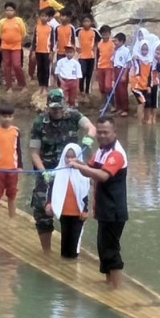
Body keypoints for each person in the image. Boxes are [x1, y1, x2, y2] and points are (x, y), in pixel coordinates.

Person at [29, 89, 96, 254]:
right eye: (53, 108)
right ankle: (46, 250)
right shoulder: (39, 123)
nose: (57, 111)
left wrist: (89, 137)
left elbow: (90, 127)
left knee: (74, 207)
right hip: (48, 170)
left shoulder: (73, 116)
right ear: (47, 107)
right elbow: (34, 152)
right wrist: (43, 172)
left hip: (71, 170)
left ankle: (72, 249)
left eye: (60, 107)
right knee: (41, 209)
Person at [68, 116, 128, 289]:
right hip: (103, 208)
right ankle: (108, 283)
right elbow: (90, 170)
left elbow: (102, 175)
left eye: (105, 132)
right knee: (103, 247)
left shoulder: (116, 153)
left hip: (114, 209)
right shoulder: (101, 151)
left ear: (114, 132)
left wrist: (80, 167)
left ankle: (116, 289)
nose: (101, 135)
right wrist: (75, 163)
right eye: (99, 132)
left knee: (111, 248)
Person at [46, 143, 90, 259]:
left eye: (72, 157)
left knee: (75, 238)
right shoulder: (57, 172)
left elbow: (86, 194)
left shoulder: (83, 175)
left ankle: (74, 259)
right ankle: (64, 260)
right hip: (64, 211)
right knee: (65, 236)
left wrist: (85, 210)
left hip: (78, 212)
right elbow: (51, 189)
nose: (69, 160)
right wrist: (49, 203)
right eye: (67, 157)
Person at [0, 103, 23, 218]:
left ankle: (12, 218)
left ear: (13, 117)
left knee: (12, 195)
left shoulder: (16, 131)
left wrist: (20, 166)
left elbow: (18, 150)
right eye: (4, 116)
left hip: (13, 169)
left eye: (9, 116)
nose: (7, 119)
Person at [0, 2, 28, 92]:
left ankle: (23, 85)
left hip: (16, 46)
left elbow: (23, 33)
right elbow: (0, 33)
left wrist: (18, 41)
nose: (9, 12)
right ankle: (9, 86)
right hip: (5, 46)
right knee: (6, 66)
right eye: (7, 10)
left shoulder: (19, 21)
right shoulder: (2, 22)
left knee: (17, 65)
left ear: (14, 11)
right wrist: (1, 45)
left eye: (11, 10)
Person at [130, 39, 157, 123]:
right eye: (142, 49)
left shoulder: (150, 61)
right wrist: (133, 58)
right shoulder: (137, 60)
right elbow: (133, 62)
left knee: (146, 102)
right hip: (137, 86)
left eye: (146, 49)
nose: (144, 51)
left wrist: (149, 86)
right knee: (141, 102)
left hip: (145, 85)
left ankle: (146, 120)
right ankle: (139, 122)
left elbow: (149, 75)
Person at [31, 7, 56, 94]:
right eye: (42, 16)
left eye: (45, 16)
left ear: (48, 17)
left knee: (46, 69)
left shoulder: (50, 28)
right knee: (39, 69)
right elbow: (34, 40)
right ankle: (40, 86)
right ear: (39, 17)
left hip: (47, 51)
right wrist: (33, 51)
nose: (43, 18)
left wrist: (52, 52)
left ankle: (45, 87)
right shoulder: (37, 27)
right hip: (38, 51)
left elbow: (52, 41)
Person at [76, 16, 100, 96]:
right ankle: (81, 90)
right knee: (82, 73)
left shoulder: (94, 31)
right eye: (85, 21)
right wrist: (76, 48)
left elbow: (99, 40)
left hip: (91, 56)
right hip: (81, 56)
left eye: (88, 21)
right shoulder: (78, 31)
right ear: (82, 23)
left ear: (91, 22)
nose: (86, 23)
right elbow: (73, 39)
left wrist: (95, 46)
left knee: (89, 74)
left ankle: (87, 91)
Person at [112, 32, 131, 117]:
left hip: (122, 70)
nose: (114, 42)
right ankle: (119, 107)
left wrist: (124, 74)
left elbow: (128, 63)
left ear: (121, 41)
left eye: (116, 41)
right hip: (116, 69)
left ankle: (125, 109)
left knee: (122, 91)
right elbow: (112, 60)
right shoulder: (116, 50)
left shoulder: (125, 50)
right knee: (117, 90)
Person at [96, 25, 115, 103]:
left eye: (107, 34)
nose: (105, 36)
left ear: (110, 34)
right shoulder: (99, 44)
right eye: (103, 34)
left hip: (109, 67)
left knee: (108, 86)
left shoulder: (112, 44)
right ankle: (105, 102)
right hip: (100, 66)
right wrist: (96, 67)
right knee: (101, 87)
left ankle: (112, 103)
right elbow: (97, 55)